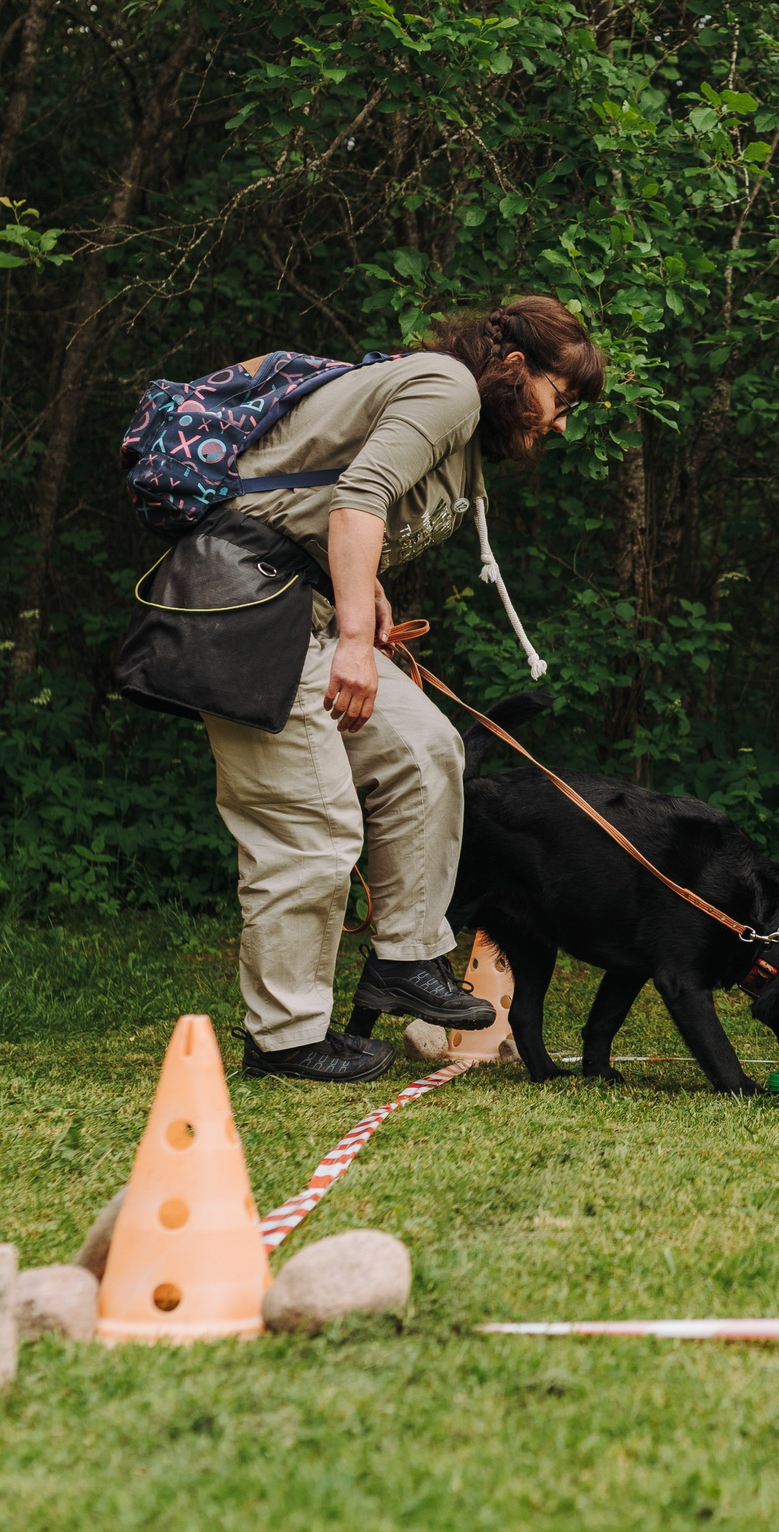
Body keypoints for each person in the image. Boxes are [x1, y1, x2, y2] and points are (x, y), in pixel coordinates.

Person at [208, 296, 605, 1082]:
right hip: (247, 611)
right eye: (561, 400)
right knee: (310, 822)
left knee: (427, 749)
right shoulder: (448, 388)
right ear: (518, 369)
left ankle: (405, 959)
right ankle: (285, 1040)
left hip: (303, 603)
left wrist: (365, 600)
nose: (561, 424)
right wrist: (357, 640)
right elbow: (358, 500)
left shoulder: (458, 422)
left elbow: (335, 507)